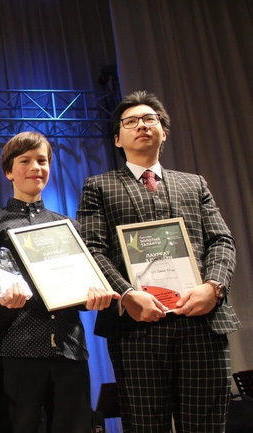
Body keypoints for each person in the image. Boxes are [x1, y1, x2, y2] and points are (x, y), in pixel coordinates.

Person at [77, 90, 240, 433]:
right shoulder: (99, 186)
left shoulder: (194, 184)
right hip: (136, 328)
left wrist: (214, 287)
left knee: (207, 425)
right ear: (117, 138)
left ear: (164, 132)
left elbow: (221, 240)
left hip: (202, 325)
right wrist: (126, 294)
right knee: (146, 426)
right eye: (131, 121)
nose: (142, 125)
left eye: (150, 119)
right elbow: (93, 249)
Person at [0, 131, 118, 433]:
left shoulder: (68, 226)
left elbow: (82, 287)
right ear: (9, 171)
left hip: (69, 350)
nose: (36, 167)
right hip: (15, 350)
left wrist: (92, 298)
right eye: (26, 160)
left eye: (42, 161)